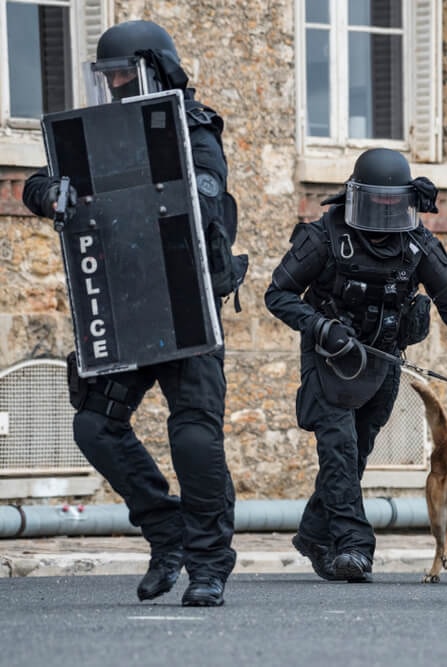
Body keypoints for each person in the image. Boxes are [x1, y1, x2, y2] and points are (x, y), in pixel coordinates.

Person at [22, 20, 241, 606]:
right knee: (94, 424)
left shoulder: (190, 125)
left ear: (153, 67)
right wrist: (49, 194)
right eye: (108, 76)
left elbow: (207, 186)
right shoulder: (97, 133)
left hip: (186, 300)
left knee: (194, 437)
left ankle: (208, 564)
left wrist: (184, 184)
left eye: (123, 73)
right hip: (123, 302)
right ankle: (165, 532)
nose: (116, 83)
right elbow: (43, 176)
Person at [265, 148, 447, 583]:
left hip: (382, 358)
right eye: (377, 202)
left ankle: (314, 533)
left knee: (356, 451)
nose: (386, 211)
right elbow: (278, 295)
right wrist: (319, 326)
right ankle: (353, 547)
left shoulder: (417, 242)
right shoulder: (324, 236)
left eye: (393, 203)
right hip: (329, 356)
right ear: (357, 197)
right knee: (340, 449)